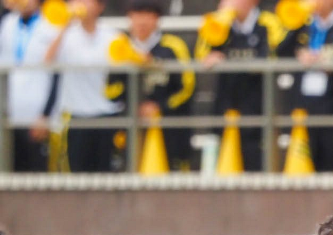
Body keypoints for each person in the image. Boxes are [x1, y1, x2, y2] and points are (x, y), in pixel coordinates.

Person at [196, 0, 285, 172]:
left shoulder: (268, 21)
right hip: (226, 98)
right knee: (221, 145)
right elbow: (202, 54)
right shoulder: (218, 22)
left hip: (257, 99)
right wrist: (219, 24)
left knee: (253, 151)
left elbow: (275, 52)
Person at [112, 0, 196, 171]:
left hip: (170, 129)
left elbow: (187, 86)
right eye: (137, 14)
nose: (142, 21)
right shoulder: (120, 47)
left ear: (157, 18)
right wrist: (134, 107)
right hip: (132, 129)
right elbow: (110, 90)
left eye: (148, 15)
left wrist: (159, 107)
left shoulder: (173, 46)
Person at [274, 0, 333, 171]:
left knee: (331, 163)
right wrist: (295, 27)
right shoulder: (303, 26)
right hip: (303, 105)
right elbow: (280, 51)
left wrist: (325, 62)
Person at [43, 0, 119, 173]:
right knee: (76, 172)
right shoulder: (66, 35)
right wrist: (65, 25)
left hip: (105, 113)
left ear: (101, 6)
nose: (82, 5)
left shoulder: (112, 35)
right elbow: (47, 61)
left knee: (105, 173)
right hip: (75, 115)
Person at [0, 0, 60, 171]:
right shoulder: (8, 23)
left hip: (38, 115)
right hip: (10, 114)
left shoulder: (50, 25)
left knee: (37, 174)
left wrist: (46, 114)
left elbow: (57, 74)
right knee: (11, 172)